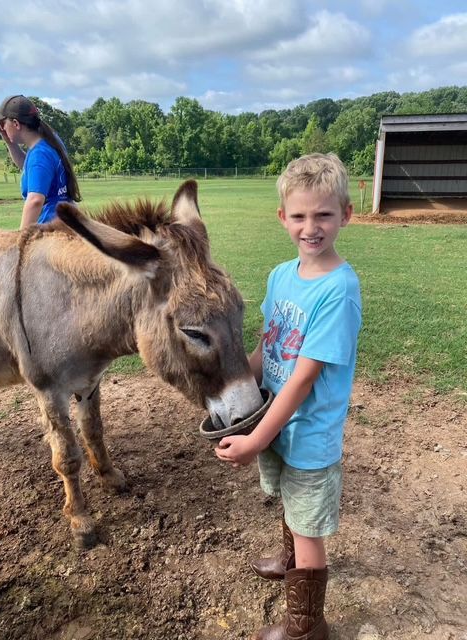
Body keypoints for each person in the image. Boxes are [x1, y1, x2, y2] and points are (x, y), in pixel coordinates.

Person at [215, 153, 362, 640]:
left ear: (346, 213)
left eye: (323, 214)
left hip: (309, 432)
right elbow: (267, 344)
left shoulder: (338, 291)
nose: (311, 227)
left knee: (309, 526)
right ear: (283, 218)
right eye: (299, 215)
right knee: (290, 505)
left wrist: (255, 438)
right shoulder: (282, 276)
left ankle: (307, 626)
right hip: (277, 422)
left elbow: (302, 378)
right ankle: (289, 558)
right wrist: (238, 392)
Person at [0, 95, 81, 228]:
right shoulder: (50, 140)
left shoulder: (39, 155)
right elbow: (31, 169)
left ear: (16, 124)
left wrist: (21, 240)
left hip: (50, 228)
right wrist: (10, 142)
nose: (2, 128)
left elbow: (35, 200)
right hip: (66, 221)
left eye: (3, 123)